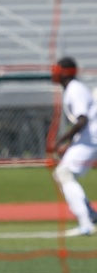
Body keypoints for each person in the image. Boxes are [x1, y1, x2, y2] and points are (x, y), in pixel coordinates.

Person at [50, 58, 97, 236]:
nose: (54, 73)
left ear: (65, 72)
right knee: (64, 174)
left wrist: (62, 140)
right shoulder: (73, 88)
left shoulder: (74, 90)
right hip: (89, 138)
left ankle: (85, 223)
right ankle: (90, 215)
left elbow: (82, 120)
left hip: (91, 138)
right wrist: (70, 145)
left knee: (64, 173)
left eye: (57, 70)